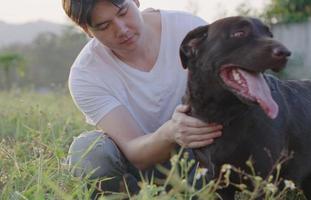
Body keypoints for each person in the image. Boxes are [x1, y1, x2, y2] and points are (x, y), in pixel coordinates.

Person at [62, 0, 223, 197]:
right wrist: (170, 132)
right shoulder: (86, 74)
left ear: (136, 1)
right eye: (104, 26)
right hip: (142, 167)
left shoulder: (187, 28)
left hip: (204, 152)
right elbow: (133, 149)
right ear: (87, 30)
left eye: (123, 12)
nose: (121, 29)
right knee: (89, 150)